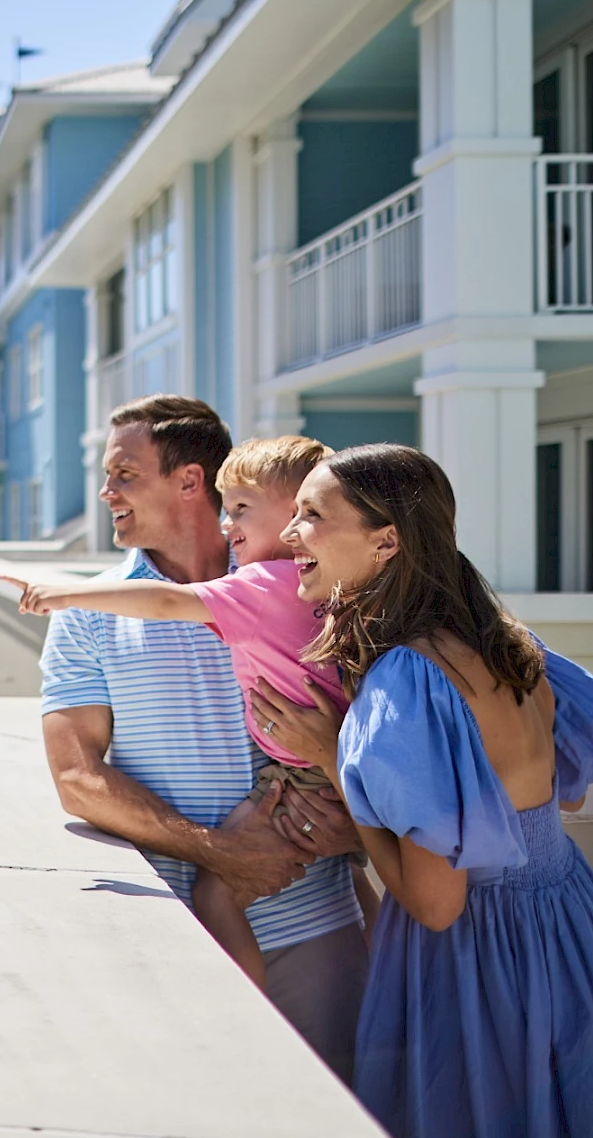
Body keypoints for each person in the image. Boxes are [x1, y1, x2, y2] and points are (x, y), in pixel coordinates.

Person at [250, 444, 593, 1137]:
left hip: (480, 957)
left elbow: (438, 905)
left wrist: (335, 760)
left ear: (386, 541)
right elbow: (564, 797)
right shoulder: (507, 641)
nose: (289, 536)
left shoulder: (408, 679)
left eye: (312, 516)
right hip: (566, 921)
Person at [40, 396, 366, 1081]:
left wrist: (357, 828)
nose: (106, 493)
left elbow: (390, 739)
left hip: (322, 932)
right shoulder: (90, 614)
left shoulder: (319, 593)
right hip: (177, 939)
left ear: (189, 480)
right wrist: (222, 853)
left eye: (124, 474)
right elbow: (76, 779)